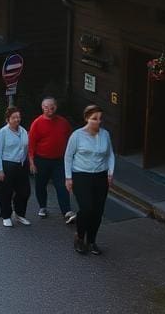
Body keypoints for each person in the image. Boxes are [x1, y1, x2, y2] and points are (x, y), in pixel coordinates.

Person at [65, 104, 115, 255]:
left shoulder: (105, 134)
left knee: (98, 211)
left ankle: (92, 241)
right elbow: (68, 157)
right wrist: (68, 178)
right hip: (81, 175)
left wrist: (110, 172)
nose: (98, 121)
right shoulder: (77, 135)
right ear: (86, 118)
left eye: (100, 118)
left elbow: (110, 155)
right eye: (94, 118)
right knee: (87, 209)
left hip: (100, 176)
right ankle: (80, 237)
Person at [28, 96, 76, 224]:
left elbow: (71, 140)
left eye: (52, 107)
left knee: (62, 185)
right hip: (41, 160)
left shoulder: (63, 122)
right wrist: (31, 162)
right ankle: (42, 206)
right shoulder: (37, 123)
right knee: (40, 184)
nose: (49, 109)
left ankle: (67, 211)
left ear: (56, 107)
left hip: (59, 161)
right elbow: (31, 144)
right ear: (42, 108)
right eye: (46, 107)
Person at [0, 106, 31, 228]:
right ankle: (6, 215)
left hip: (21, 165)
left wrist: (28, 162)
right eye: (14, 117)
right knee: (6, 192)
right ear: (8, 119)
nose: (17, 119)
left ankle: (19, 214)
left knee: (25, 191)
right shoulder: (2, 133)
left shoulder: (23, 131)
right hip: (7, 164)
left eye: (18, 117)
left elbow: (26, 148)